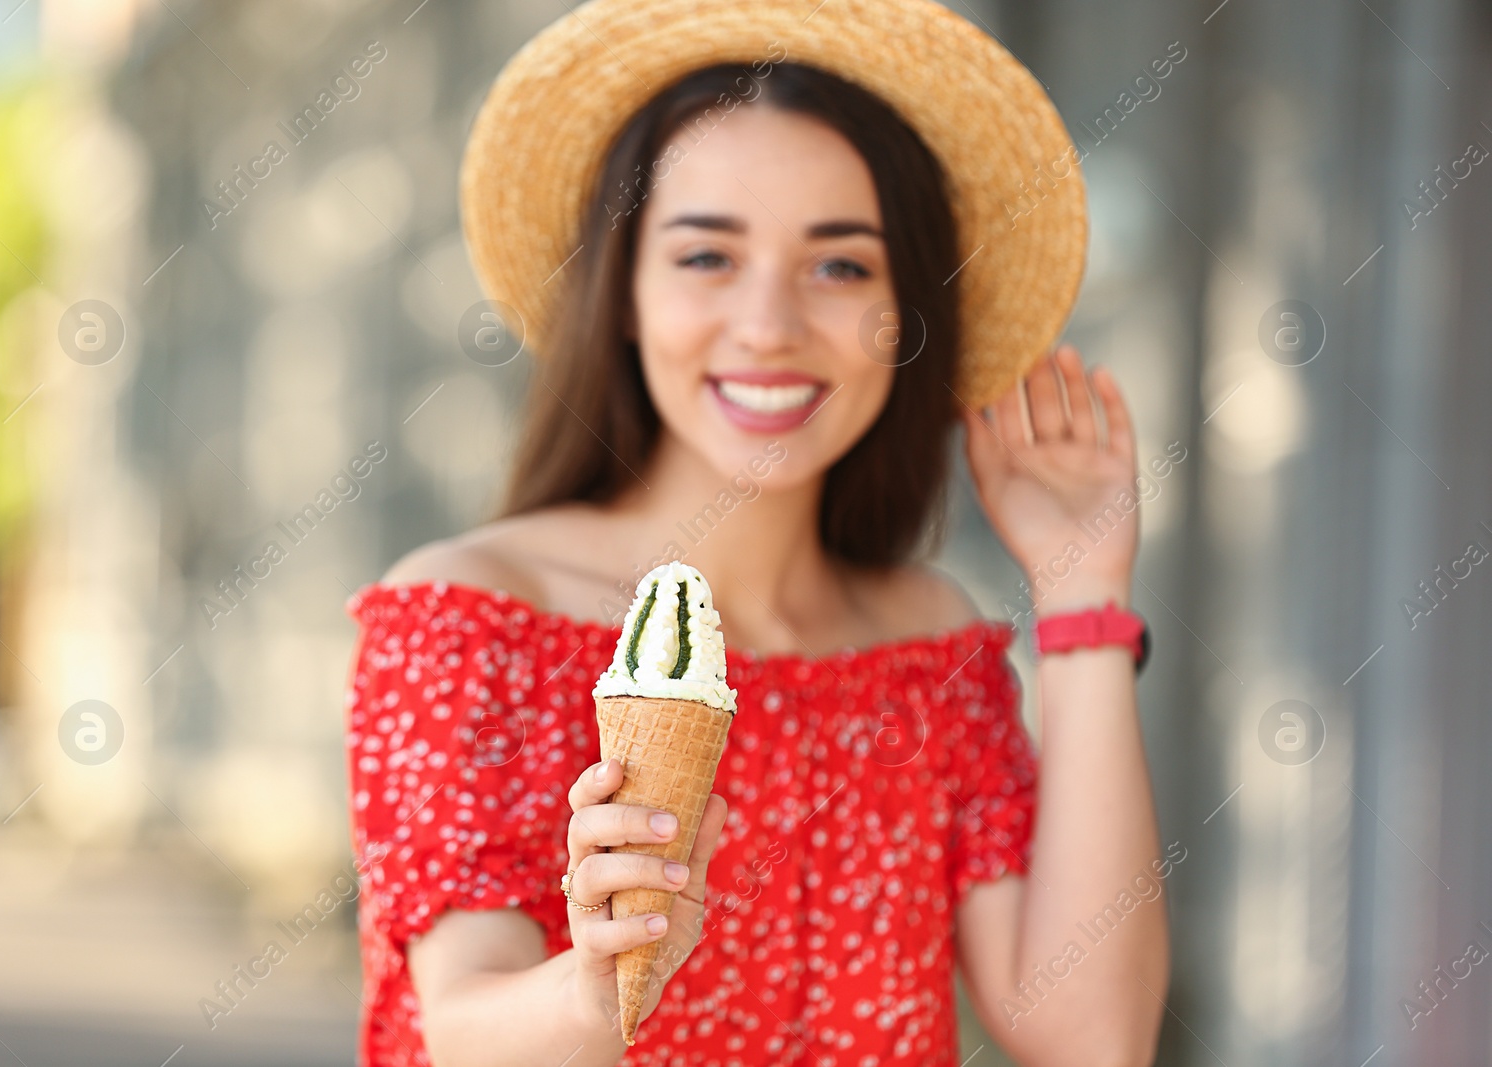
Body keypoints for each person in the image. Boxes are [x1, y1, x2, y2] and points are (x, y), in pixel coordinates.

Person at [344, 2, 1168, 1064]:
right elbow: (461, 1030)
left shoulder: (928, 650)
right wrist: (599, 991)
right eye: (705, 256)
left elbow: (1093, 1038)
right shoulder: (469, 618)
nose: (771, 324)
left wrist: (1079, 588)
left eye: (840, 266)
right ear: (626, 293)